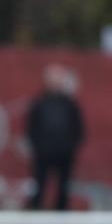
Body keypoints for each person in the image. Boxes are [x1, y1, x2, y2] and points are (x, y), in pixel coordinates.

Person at [26, 65, 84, 210]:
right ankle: (36, 211)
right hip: (43, 152)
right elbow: (31, 127)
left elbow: (78, 127)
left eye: (58, 79)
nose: (55, 82)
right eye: (52, 79)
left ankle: (62, 214)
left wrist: (71, 145)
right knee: (39, 184)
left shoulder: (70, 103)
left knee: (64, 186)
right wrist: (38, 145)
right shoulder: (39, 102)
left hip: (64, 153)